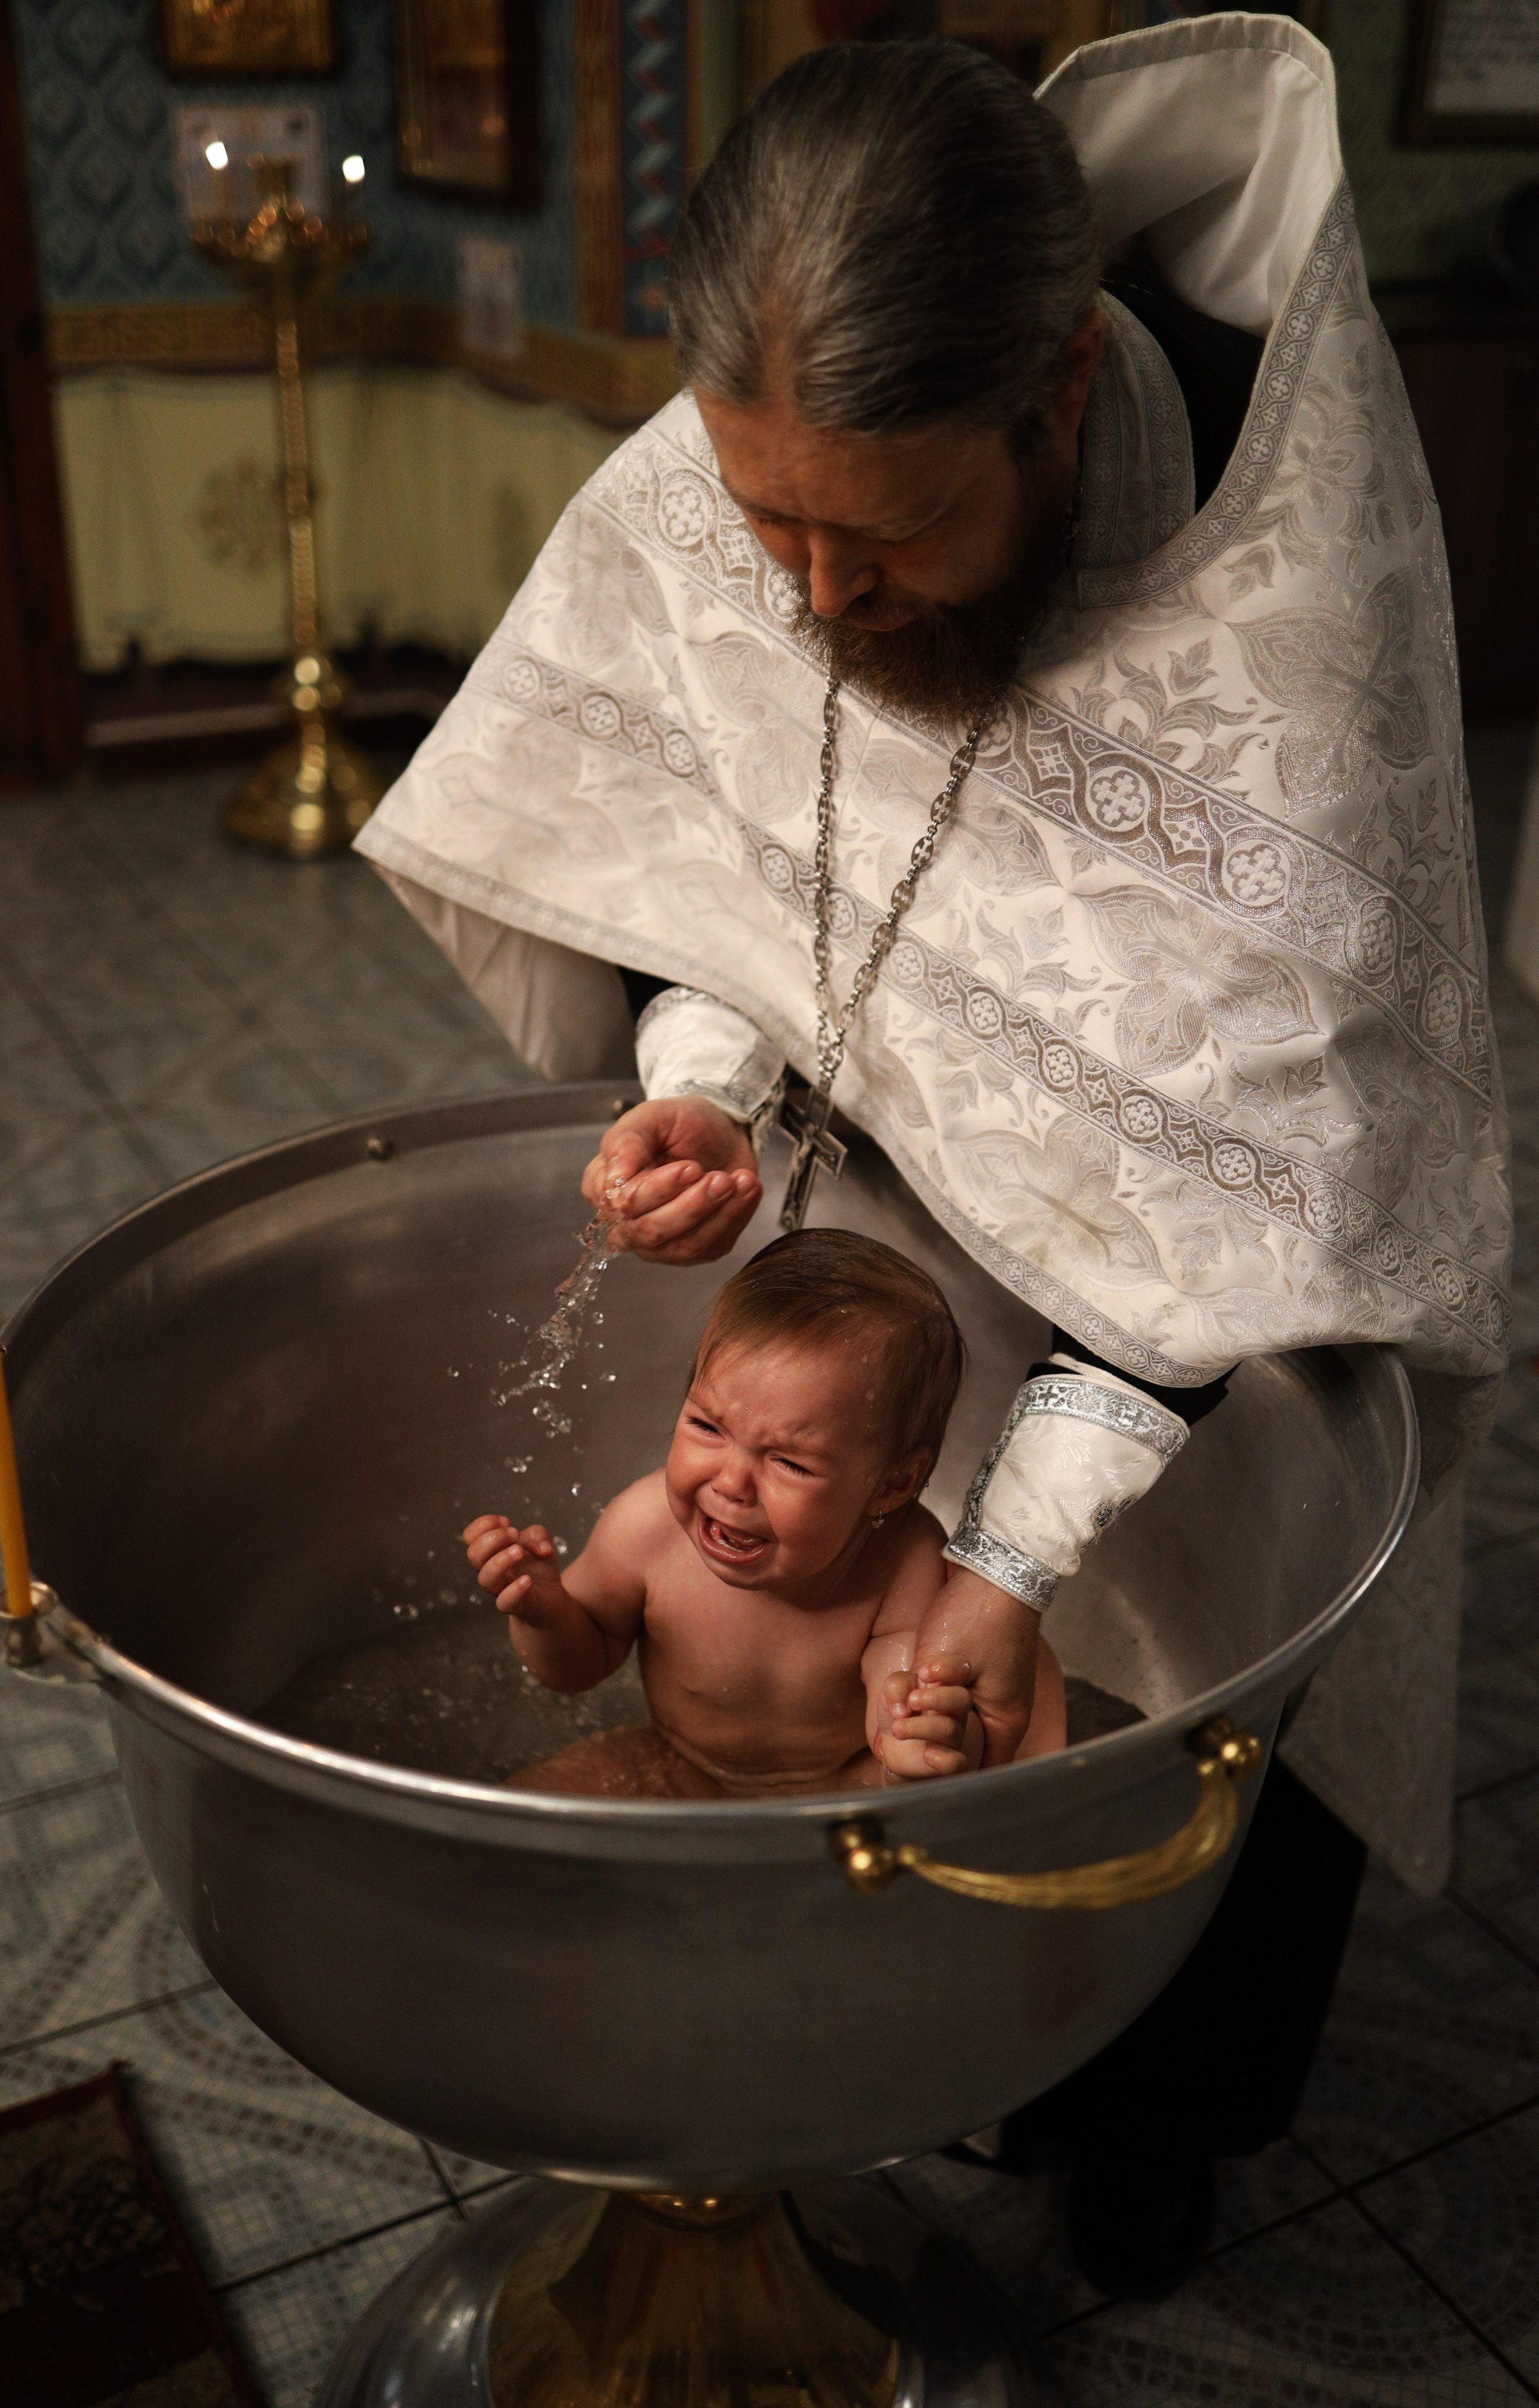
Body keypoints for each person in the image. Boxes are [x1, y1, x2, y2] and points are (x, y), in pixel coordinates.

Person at [359, 21, 1510, 2296]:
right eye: (760, 523)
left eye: (879, 536)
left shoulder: (1275, 626)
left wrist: (1009, 1551)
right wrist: (707, 1088)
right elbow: (727, 872)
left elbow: (1260, 1180)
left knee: (1161, 1755)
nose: (807, 594)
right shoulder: (765, 460)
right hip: (864, 1255)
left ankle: (1145, 2119)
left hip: (1189, 1335)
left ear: (1056, 400)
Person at [465, 1229, 1066, 1798]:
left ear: (891, 1485)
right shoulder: (644, 1528)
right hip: (678, 1766)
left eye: (790, 1464)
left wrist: (925, 1739)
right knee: (522, 1812)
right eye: (706, 1426)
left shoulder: (901, 1562)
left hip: (841, 1788)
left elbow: (898, 1708)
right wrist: (543, 1614)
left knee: (995, 1716)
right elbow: (575, 1668)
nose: (730, 1484)